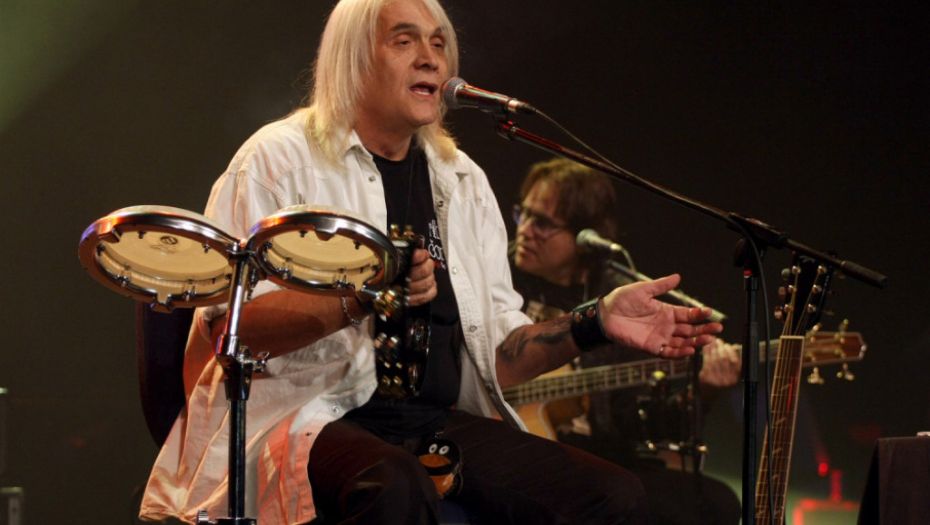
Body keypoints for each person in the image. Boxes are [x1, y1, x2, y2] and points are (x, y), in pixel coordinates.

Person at [139, 1, 722, 524]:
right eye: (405, 40)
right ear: (353, 57)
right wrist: (365, 295)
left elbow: (498, 356)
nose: (430, 57)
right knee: (392, 486)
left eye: (439, 42)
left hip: (430, 422)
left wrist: (596, 321)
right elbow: (230, 329)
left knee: (614, 496)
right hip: (301, 417)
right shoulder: (278, 161)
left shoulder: (462, 182)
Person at [510, 157, 743, 525]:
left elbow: (636, 424)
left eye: (543, 223)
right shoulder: (501, 273)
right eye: (523, 214)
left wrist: (703, 392)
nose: (525, 230)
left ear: (586, 238)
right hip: (514, 443)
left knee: (717, 503)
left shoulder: (617, 300)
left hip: (599, 454)